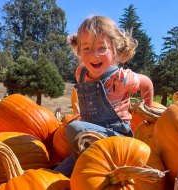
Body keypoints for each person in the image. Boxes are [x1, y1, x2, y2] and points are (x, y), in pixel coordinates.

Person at [54, 15, 154, 177]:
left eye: (102, 48)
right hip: (90, 138)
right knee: (55, 175)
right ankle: (83, 170)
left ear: (115, 49)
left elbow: (147, 83)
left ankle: (92, 171)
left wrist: (148, 116)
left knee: (75, 129)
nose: (94, 55)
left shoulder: (122, 77)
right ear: (78, 50)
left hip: (117, 137)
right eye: (86, 48)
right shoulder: (81, 72)